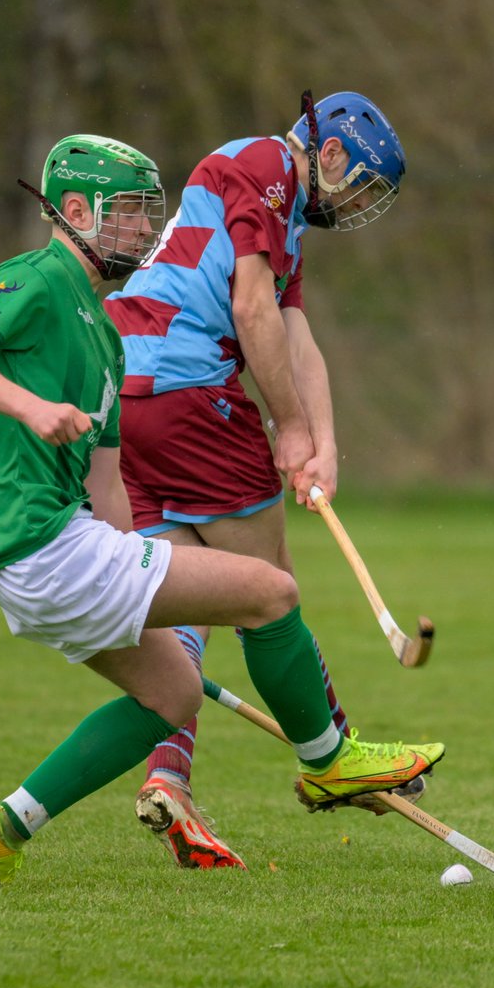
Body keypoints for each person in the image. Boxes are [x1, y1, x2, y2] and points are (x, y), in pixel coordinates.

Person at [0, 133, 444, 885]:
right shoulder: (33, 277)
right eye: (127, 214)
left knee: (172, 692)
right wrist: (32, 408)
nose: (144, 230)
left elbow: (112, 500)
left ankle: (2, 829)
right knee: (271, 592)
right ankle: (329, 760)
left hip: (52, 555)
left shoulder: (107, 333)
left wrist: (153, 575)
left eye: (145, 214)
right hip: (40, 549)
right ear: (74, 211)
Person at [103, 91, 423, 871]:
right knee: (265, 590)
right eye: (362, 187)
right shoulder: (266, 166)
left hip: (126, 396)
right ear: (334, 154)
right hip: (187, 396)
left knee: (189, 593)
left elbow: (294, 332)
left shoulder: (272, 203)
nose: (356, 208)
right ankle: (332, 758)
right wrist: (289, 429)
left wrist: (323, 441)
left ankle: (168, 779)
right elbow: (252, 313)